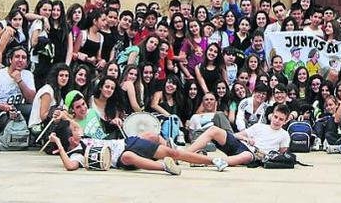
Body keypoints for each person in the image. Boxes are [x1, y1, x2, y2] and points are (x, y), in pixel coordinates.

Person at [49, 118, 225, 174]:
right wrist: (58, 143)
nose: (78, 128)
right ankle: (164, 166)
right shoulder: (77, 153)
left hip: (127, 143)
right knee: (127, 157)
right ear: (71, 139)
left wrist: (62, 120)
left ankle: (213, 160)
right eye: (74, 129)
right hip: (121, 158)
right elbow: (70, 166)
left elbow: (70, 122)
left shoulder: (81, 138)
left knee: (172, 152)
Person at [186, 104, 291, 167]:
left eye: (281, 119)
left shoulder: (284, 135)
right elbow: (235, 135)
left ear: (285, 121)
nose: (277, 121)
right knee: (214, 130)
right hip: (241, 145)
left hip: (254, 155)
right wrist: (245, 138)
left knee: (247, 155)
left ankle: (203, 161)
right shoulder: (259, 126)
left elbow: (281, 155)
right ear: (271, 116)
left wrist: (265, 156)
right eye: (276, 117)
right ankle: (185, 154)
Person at [29, 63, 71, 129]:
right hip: (38, 127)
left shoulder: (60, 92)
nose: (64, 78)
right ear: (55, 76)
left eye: (66, 76)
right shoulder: (47, 90)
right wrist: (57, 112)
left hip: (52, 126)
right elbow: (43, 116)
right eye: (61, 75)